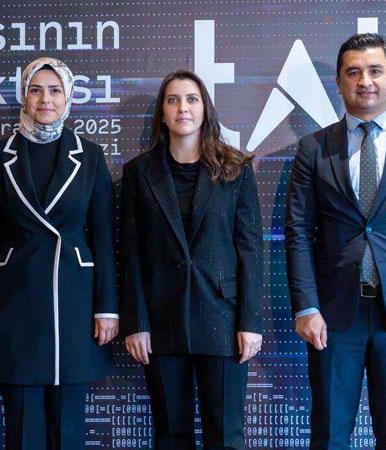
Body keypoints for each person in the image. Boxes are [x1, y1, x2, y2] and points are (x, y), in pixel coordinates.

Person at [284, 33, 386, 449]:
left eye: (375, 70)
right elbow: (298, 232)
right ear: (339, 82)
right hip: (332, 316)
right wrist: (306, 306)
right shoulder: (313, 148)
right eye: (354, 72)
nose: (365, 81)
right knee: (329, 434)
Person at [0, 57, 118, 450]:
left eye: (54, 90)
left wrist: (107, 308)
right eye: (36, 90)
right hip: (15, 298)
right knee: (23, 429)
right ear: (24, 96)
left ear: (68, 98)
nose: (45, 99)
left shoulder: (90, 155)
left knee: (69, 429)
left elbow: (104, 238)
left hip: (74, 300)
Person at [119, 69, 264, 450]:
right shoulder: (138, 173)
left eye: (191, 99)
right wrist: (137, 323)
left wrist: (250, 322)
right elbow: (130, 253)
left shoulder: (235, 169)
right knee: (170, 435)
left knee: (226, 436)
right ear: (162, 113)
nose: (182, 107)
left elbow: (251, 251)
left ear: (205, 110)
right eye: (173, 100)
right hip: (160, 322)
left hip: (224, 319)